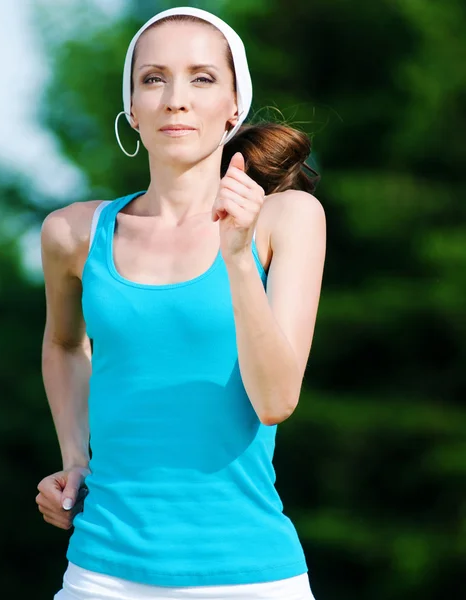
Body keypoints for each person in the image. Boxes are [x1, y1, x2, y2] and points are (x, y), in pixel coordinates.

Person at [36, 6, 326, 600]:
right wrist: (75, 458)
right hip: (99, 576)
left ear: (233, 107)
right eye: (153, 78)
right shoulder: (71, 235)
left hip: (251, 578)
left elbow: (275, 400)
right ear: (132, 111)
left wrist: (238, 256)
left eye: (201, 77)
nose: (175, 98)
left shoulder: (286, 219)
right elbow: (65, 343)